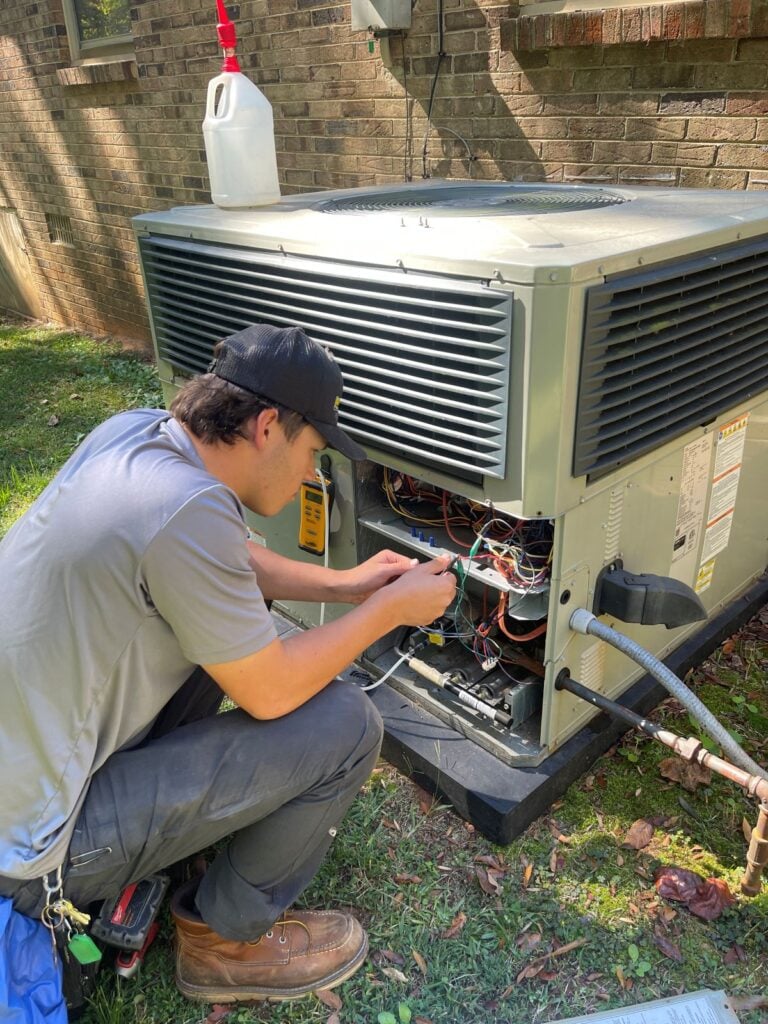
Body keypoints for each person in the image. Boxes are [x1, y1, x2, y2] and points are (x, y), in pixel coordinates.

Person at [0, 323, 456, 1003]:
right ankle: (224, 942)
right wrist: (387, 612)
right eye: (314, 451)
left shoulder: (139, 437)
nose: (312, 473)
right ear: (268, 426)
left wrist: (345, 584)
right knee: (348, 723)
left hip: (23, 774)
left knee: (231, 630)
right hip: (35, 856)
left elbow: (230, 564)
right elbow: (270, 692)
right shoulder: (186, 509)